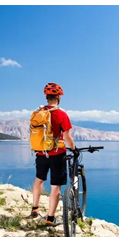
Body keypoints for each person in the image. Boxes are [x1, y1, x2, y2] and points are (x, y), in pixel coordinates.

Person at [30, 83, 76, 226]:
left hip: (41, 153)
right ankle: (50, 218)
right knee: (55, 186)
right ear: (59, 97)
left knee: (39, 180)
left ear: (46, 97)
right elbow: (67, 137)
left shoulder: (38, 113)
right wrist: (74, 149)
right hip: (57, 155)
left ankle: (34, 209)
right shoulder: (61, 114)